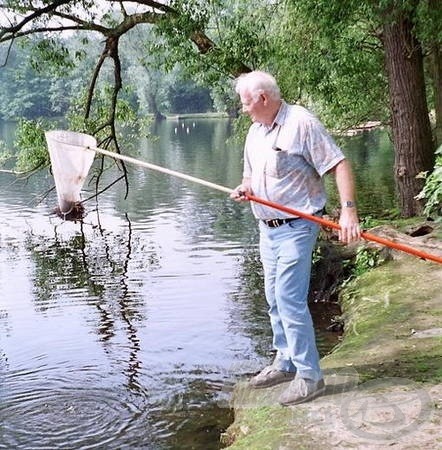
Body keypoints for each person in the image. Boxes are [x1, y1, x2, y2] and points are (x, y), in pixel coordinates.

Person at [230, 71, 361, 406]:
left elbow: (339, 164)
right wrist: (246, 188)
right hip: (267, 229)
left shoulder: (301, 123)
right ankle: (285, 361)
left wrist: (348, 212)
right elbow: (249, 174)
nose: (243, 109)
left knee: (289, 298)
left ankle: (310, 377)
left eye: (246, 103)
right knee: (274, 298)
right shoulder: (255, 132)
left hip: (297, 227)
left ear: (262, 98)